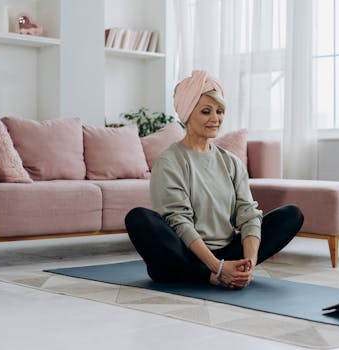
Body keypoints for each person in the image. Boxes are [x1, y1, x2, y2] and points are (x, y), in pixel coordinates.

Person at [125, 70, 304, 288]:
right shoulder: (169, 161)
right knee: (138, 218)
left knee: (292, 215)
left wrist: (249, 263)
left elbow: (248, 215)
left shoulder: (231, 162)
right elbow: (179, 222)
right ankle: (205, 274)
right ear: (188, 115)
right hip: (186, 252)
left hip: (228, 252)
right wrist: (216, 268)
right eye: (206, 111)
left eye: (220, 111)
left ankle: (227, 272)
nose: (215, 118)